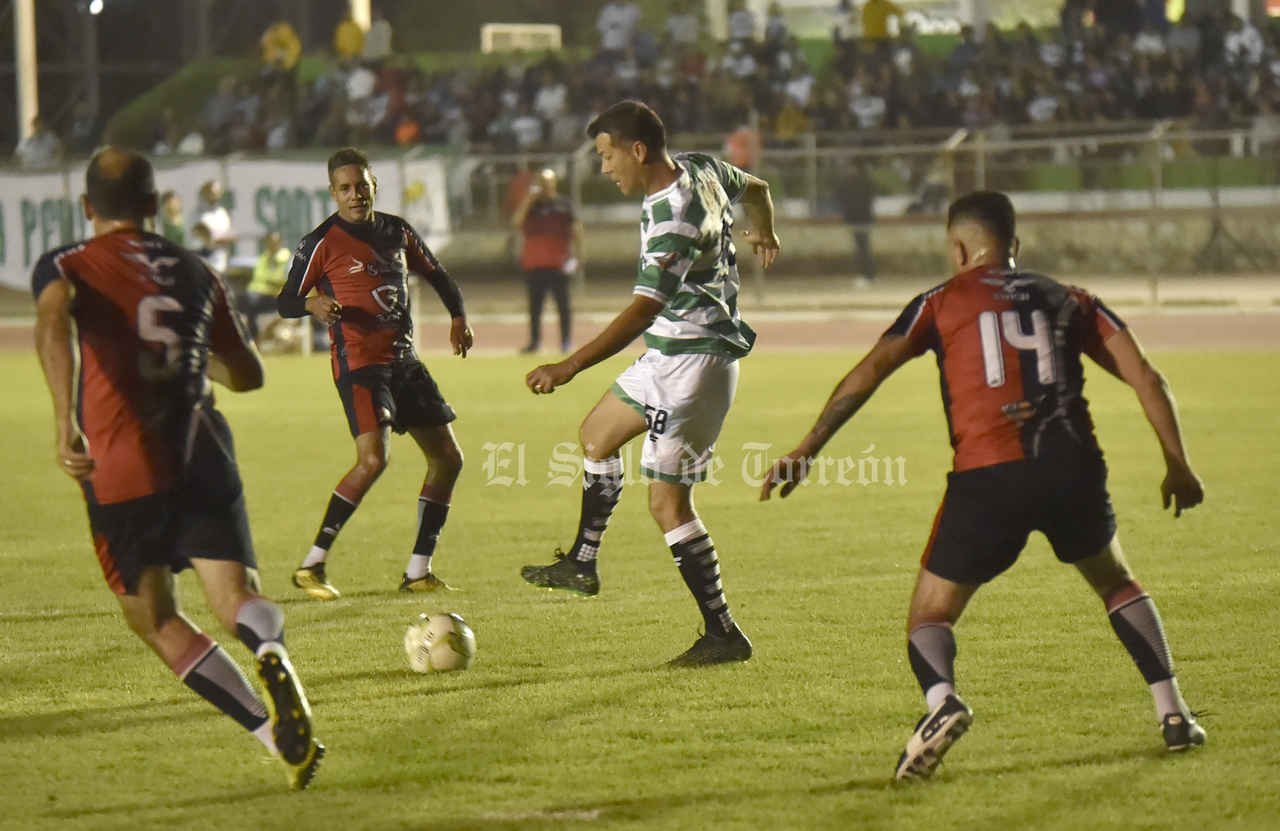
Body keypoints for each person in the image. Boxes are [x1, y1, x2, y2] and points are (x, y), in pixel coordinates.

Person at [761, 190, 1206, 779]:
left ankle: (942, 704)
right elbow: (1147, 376)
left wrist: (807, 448)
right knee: (1116, 583)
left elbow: (869, 370)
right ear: (1015, 246)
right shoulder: (1070, 299)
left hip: (988, 476)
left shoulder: (940, 302)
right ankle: (1173, 714)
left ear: (959, 247)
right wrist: (1177, 462)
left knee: (930, 615)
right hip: (1072, 466)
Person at [32, 147, 324, 790]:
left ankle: (271, 734)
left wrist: (62, 423)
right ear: (153, 205)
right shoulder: (196, 270)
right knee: (237, 598)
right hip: (202, 449)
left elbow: (53, 323)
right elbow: (248, 374)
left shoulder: (68, 263)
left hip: (120, 461)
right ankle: (270, 649)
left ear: (86, 208)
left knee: (155, 617)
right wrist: (194, 359)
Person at [521, 100, 780, 667]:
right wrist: (763, 227)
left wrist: (567, 366)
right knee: (595, 436)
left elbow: (641, 311)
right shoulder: (702, 167)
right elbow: (755, 185)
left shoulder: (674, 217)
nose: (605, 167)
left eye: (608, 156)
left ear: (638, 151)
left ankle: (723, 633)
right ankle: (583, 562)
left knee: (666, 503)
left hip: (693, 365)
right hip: (670, 354)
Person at [277, 147, 473, 600]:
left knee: (448, 459)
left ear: (373, 186)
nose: (355, 195)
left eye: (361, 186)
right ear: (333, 193)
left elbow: (439, 275)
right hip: (360, 364)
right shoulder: (320, 241)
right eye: (345, 189)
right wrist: (310, 303)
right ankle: (312, 564)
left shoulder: (396, 231)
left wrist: (458, 317)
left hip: (404, 362)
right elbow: (285, 300)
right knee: (373, 459)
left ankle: (419, 571)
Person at [512, 168, 585, 354]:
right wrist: (528, 200)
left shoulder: (564, 204)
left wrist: (580, 254)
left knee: (563, 305)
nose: (545, 186)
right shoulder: (531, 207)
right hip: (534, 264)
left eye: (548, 182)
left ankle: (565, 341)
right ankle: (535, 341)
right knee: (535, 306)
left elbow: (576, 229)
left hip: (558, 264)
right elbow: (516, 222)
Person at [239, 231, 291, 342]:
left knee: (252, 306)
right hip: (257, 293)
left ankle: (253, 337)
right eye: (269, 242)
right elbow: (258, 278)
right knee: (239, 302)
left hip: (276, 295)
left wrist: (270, 282)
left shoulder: (287, 260)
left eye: (274, 242)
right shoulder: (263, 258)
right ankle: (242, 337)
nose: (271, 245)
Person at [838, 157, 876, 287]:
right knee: (862, 247)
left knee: (863, 247)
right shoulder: (855, 182)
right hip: (858, 218)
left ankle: (867, 274)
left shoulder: (859, 183)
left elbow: (860, 202)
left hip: (861, 218)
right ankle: (868, 274)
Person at [195, 180, 235, 273]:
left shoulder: (222, 213)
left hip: (220, 260)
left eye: (217, 193)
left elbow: (228, 234)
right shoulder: (198, 213)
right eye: (211, 193)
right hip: (203, 259)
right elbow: (201, 235)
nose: (214, 195)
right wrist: (216, 240)